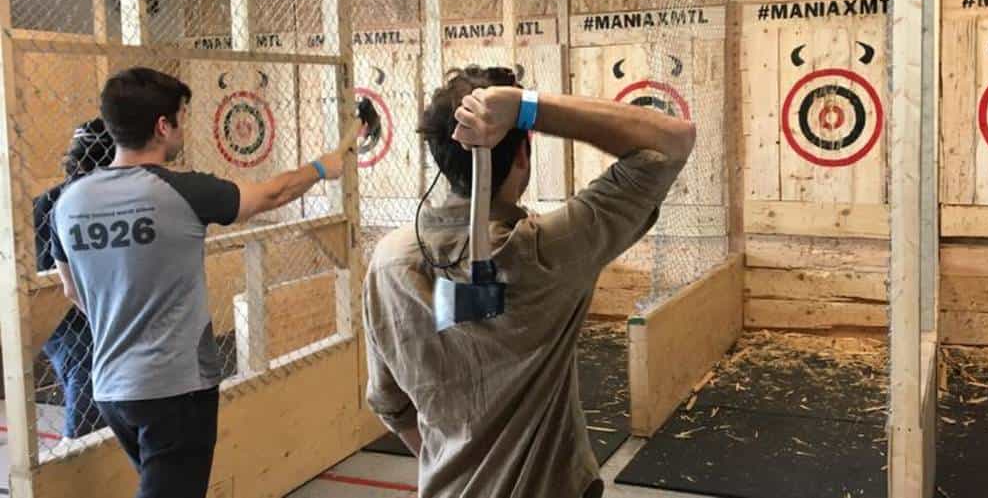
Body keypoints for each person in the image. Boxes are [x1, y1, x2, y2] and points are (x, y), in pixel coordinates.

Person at [363, 66, 696, 498]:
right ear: (522, 154)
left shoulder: (389, 261)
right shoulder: (545, 252)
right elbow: (671, 140)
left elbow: (391, 404)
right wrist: (527, 110)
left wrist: (462, 463)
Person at [49, 66, 359, 498]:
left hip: (111, 388)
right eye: (180, 117)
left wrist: (122, 316)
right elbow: (272, 194)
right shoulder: (183, 191)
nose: (182, 129)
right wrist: (322, 168)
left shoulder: (68, 202)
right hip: (175, 387)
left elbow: (71, 289)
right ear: (162, 126)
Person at [33, 118, 115, 440]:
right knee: (87, 367)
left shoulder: (113, 201)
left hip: (98, 308)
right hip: (66, 316)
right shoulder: (52, 203)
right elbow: (55, 282)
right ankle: (74, 449)